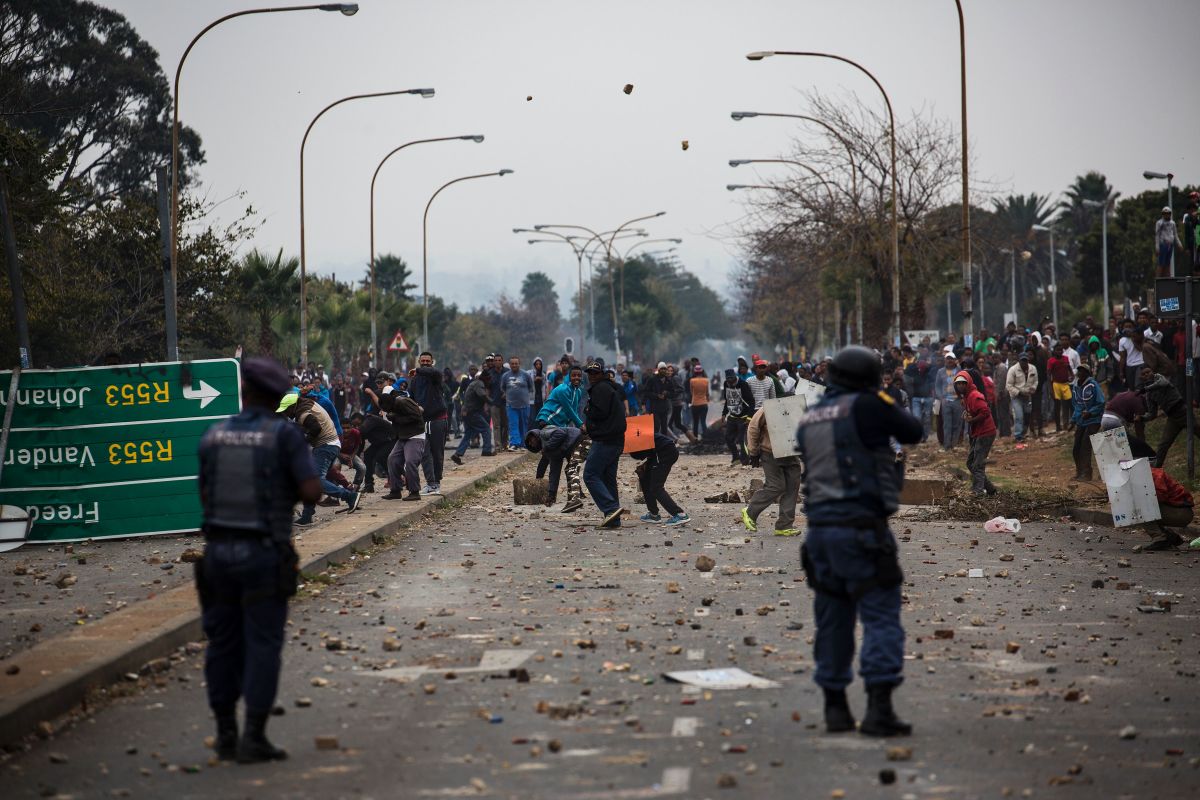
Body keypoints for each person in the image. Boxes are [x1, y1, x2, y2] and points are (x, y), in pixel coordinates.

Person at [196, 357, 320, 763]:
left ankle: (224, 733)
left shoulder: (214, 434)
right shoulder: (283, 436)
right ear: (278, 397)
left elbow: (205, 494)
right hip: (263, 553)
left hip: (217, 555)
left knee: (222, 643)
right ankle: (253, 736)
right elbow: (311, 491)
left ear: (244, 392)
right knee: (263, 643)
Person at [794, 346, 923, 737]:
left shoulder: (811, 416)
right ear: (870, 378)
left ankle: (835, 708)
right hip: (862, 531)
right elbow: (913, 431)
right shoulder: (869, 405)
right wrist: (880, 395)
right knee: (880, 615)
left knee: (833, 620)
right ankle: (878, 710)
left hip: (819, 535)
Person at [277, 393, 361, 525]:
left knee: (315, 481)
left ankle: (349, 496)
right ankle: (307, 515)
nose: (286, 414)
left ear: (292, 406)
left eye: (286, 410)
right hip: (330, 444)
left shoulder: (303, 414)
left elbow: (316, 428)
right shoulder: (308, 404)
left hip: (325, 446)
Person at [742, 400, 802, 535]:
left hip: (791, 453)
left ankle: (784, 526)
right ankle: (750, 511)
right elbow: (753, 428)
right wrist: (753, 452)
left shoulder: (800, 407)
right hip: (770, 453)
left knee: (792, 487)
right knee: (776, 486)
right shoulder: (768, 409)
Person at [582, 358, 627, 528]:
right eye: (590, 373)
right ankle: (614, 519)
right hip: (616, 441)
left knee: (590, 475)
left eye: (595, 373)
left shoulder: (600, 389)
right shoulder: (609, 388)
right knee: (608, 479)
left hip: (605, 441)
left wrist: (587, 413)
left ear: (601, 374)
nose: (592, 376)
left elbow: (599, 413)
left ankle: (610, 509)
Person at [1139, 365, 1200, 467]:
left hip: (1182, 411)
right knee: (1164, 444)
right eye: (1144, 374)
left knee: (1198, 430)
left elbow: (1163, 383)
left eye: (1148, 372)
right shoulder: (1149, 394)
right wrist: (1142, 417)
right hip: (1172, 418)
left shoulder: (1159, 377)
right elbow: (1152, 414)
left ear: (1152, 371)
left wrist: (1146, 388)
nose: (1147, 375)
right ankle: (1156, 467)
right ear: (1141, 378)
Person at [631, 432, 690, 525]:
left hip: (664, 452)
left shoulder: (632, 437)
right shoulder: (632, 436)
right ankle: (653, 514)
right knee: (645, 478)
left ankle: (680, 514)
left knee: (656, 487)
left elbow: (640, 454)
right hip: (658, 453)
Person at [380, 383, 425, 501]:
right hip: (403, 437)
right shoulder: (391, 407)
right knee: (392, 460)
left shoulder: (403, 402)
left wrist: (396, 417)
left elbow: (417, 415)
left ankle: (414, 491)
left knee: (410, 462)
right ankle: (395, 490)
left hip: (415, 435)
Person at [411, 351, 448, 495]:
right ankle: (431, 483)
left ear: (432, 362)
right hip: (422, 422)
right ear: (419, 361)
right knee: (424, 453)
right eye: (423, 361)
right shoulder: (415, 380)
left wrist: (418, 370)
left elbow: (433, 372)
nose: (425, 363)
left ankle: (436, 483)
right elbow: (412, 398)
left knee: (437, 453)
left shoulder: (435, 376)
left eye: (428, 361)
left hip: (438, 420)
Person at [525, 424, 586, 511]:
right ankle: (577, 496)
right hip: (573, 446)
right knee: (570, 470)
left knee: (571, 470)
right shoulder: (549, 451)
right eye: (529, 444)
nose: (531, 443)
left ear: (535, 436)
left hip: (579, 439)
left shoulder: (544, 433)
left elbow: (561, 433)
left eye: (531, 440)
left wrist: (547, 447)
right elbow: (554, 472)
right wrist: (551, 495)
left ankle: (575, 498)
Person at [956, 370, 997, 496]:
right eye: (958, 384)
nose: (960, 386)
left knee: (977, 465)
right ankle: (990, 489)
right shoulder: (967, 397)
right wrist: (968, 414)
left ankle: (977, 492)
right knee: (970, 463)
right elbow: (974, 411)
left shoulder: (974, 396)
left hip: (986, 432)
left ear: (968, 383)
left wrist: (972, 420)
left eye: (963, 383)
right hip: (978, 432)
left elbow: (985, 411)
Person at [1142, 467, 1193, 551]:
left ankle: (1160, 539)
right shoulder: (1148, 473)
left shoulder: (1154, 474)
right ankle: (1170, 537)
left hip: (1181, 512)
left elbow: (1160, 496)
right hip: (1178, 510)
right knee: (1141, 508)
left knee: (1141, 510)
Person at [451, 369, 495, 464]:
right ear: (485, 378)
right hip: (472, 413)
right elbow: (482, 395)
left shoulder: (475, 383)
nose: (490, 381)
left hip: (467, 412)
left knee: (468, 434)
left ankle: (457, 454)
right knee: (486, 429)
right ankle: (486, 450)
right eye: (489, 379)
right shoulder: (479, 384)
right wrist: (492, 402)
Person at [1070, 363, 1105, 480]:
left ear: (1087, 373)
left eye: (1082, 371)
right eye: (1079, 370)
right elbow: (1077, 405)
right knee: (1076, 447)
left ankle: (1087, 473)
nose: (1080, 372)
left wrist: (1090, 412)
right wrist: (1073, 420)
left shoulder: (1093, 385)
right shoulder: (1076, 387)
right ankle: (1079, 471)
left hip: (1093, 420)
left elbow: (1101, 403)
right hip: (1081, 420)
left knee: (1085, 445)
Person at [721, 368, 754, 465]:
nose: (730, 382)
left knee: (741, 439)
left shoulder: (743, 384)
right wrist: (724, 413)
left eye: (731, 379)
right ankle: (736, 458)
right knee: (728, 438)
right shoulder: (726, 384)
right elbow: (727, 400)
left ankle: (745, 460)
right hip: (732, 416)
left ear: (735, 377)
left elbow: (751, 402)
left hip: (743, 417)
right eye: (728, 379)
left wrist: (749, 417)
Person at [502, 355, 534, 452]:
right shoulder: (505, 376)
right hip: (511, 405)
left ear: (519, 364)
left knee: (523, 425)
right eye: (512, 364)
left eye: (516, 363)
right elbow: (503, 388)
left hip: (524, 405)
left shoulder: (525, 375)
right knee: (513, 425)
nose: (514, 365)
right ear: (510, 364)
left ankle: (523, 444)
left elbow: (531, 387)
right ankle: (514, 444)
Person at [1007, 352, 1037, 445]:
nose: (1024, 362)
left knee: (1027, 415)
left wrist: (1033, 388)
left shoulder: (1033, 368)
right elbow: (1009, 385)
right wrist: (1019, 392)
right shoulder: (1013, 370)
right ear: (1019, 361)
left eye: (1025, 360)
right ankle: (1018, 436)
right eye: (1022, 360)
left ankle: (1023, 433)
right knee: (1019, 416)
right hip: (1017, 396)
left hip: (1028, 396)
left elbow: (1035, 381)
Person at [1047, 344, 1074, 432]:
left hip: (1065, 384)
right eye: (1057, 350)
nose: (1059, 352)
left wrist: (1072, 375)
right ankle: (1058, 426)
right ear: (1054, 351)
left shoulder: (1065, 358)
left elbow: (1069, 368)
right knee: (1057, 406)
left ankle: (1072, 423)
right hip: (1056, 384)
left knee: (1070, 403)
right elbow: (1048, 374)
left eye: (1060, 350)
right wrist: (1050, 388)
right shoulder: (1051, 361)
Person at [1156, 206, 1184, 278]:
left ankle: (1168, 280)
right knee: (1161, 264)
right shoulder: (1159, 223)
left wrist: (1179, 244)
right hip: (1163, 244)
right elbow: (1157, 235)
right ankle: (1158, 280)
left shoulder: (1172, 223)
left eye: (1168, 213)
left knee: (1168, 264)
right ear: (1162, 214)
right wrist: (1157, 247)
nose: (1166, 215)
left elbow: (1175, 235)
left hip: (1170, 245)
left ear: (1170, 214)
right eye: (1164, 213)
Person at [689, 365, 710, 439]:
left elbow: (691, 392)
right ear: (702, 372)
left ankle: (695, 438)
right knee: (703, 422)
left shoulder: (692, 381)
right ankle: (706, 437)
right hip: (704, 403)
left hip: (695, 404)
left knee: (695, 422)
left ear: (695, 372)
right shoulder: (706, 380)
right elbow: (707, 393)